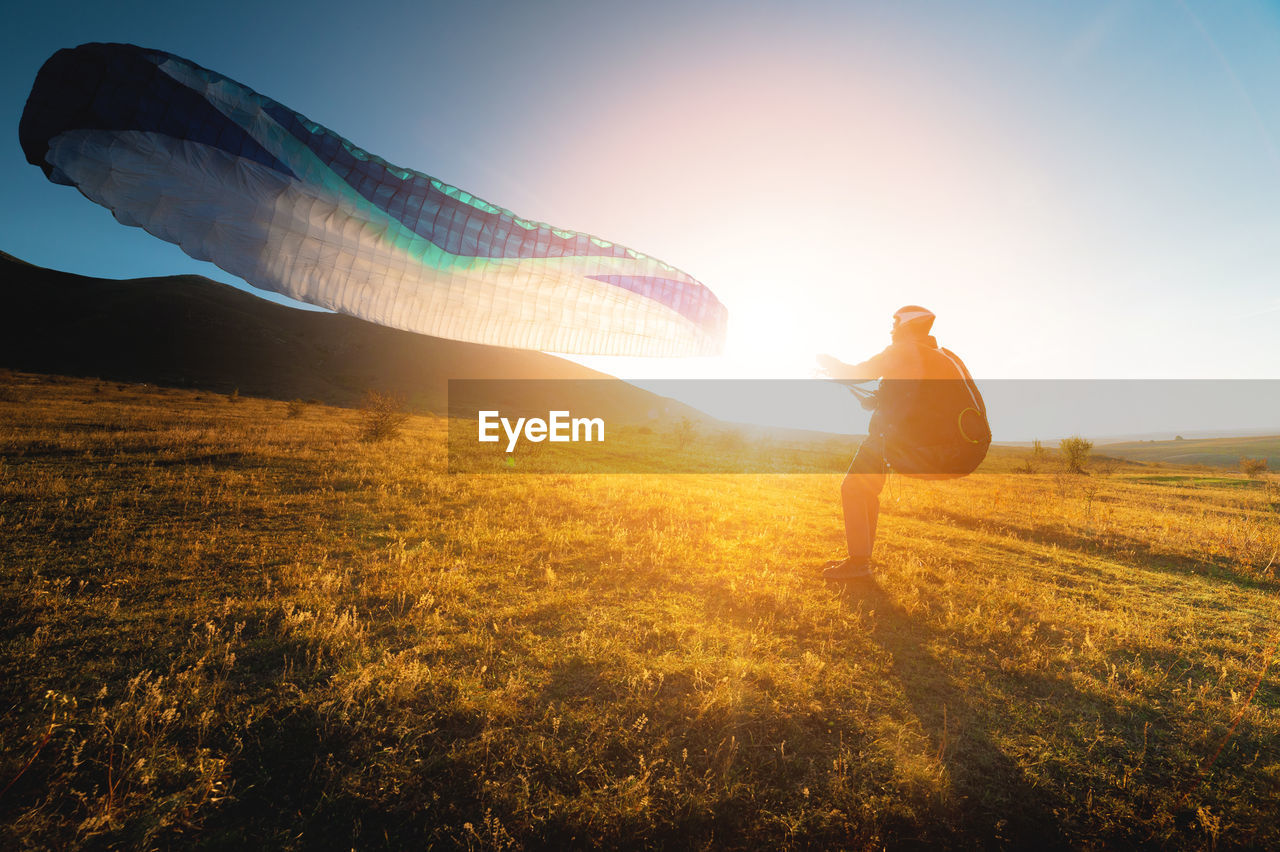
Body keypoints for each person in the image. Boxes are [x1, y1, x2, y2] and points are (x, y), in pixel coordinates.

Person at [816, 305, 976, 581]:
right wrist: (875, 400)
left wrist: (827, 362)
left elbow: (856, 372)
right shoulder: (933, 355)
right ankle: (861, 558)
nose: (891, 329)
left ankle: (858, 562)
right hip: (911, 439)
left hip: (887, 437)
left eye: (894, 323)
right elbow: (907, 397)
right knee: (865, 492)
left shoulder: (903, 351)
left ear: (906, 326)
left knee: (853, 488)